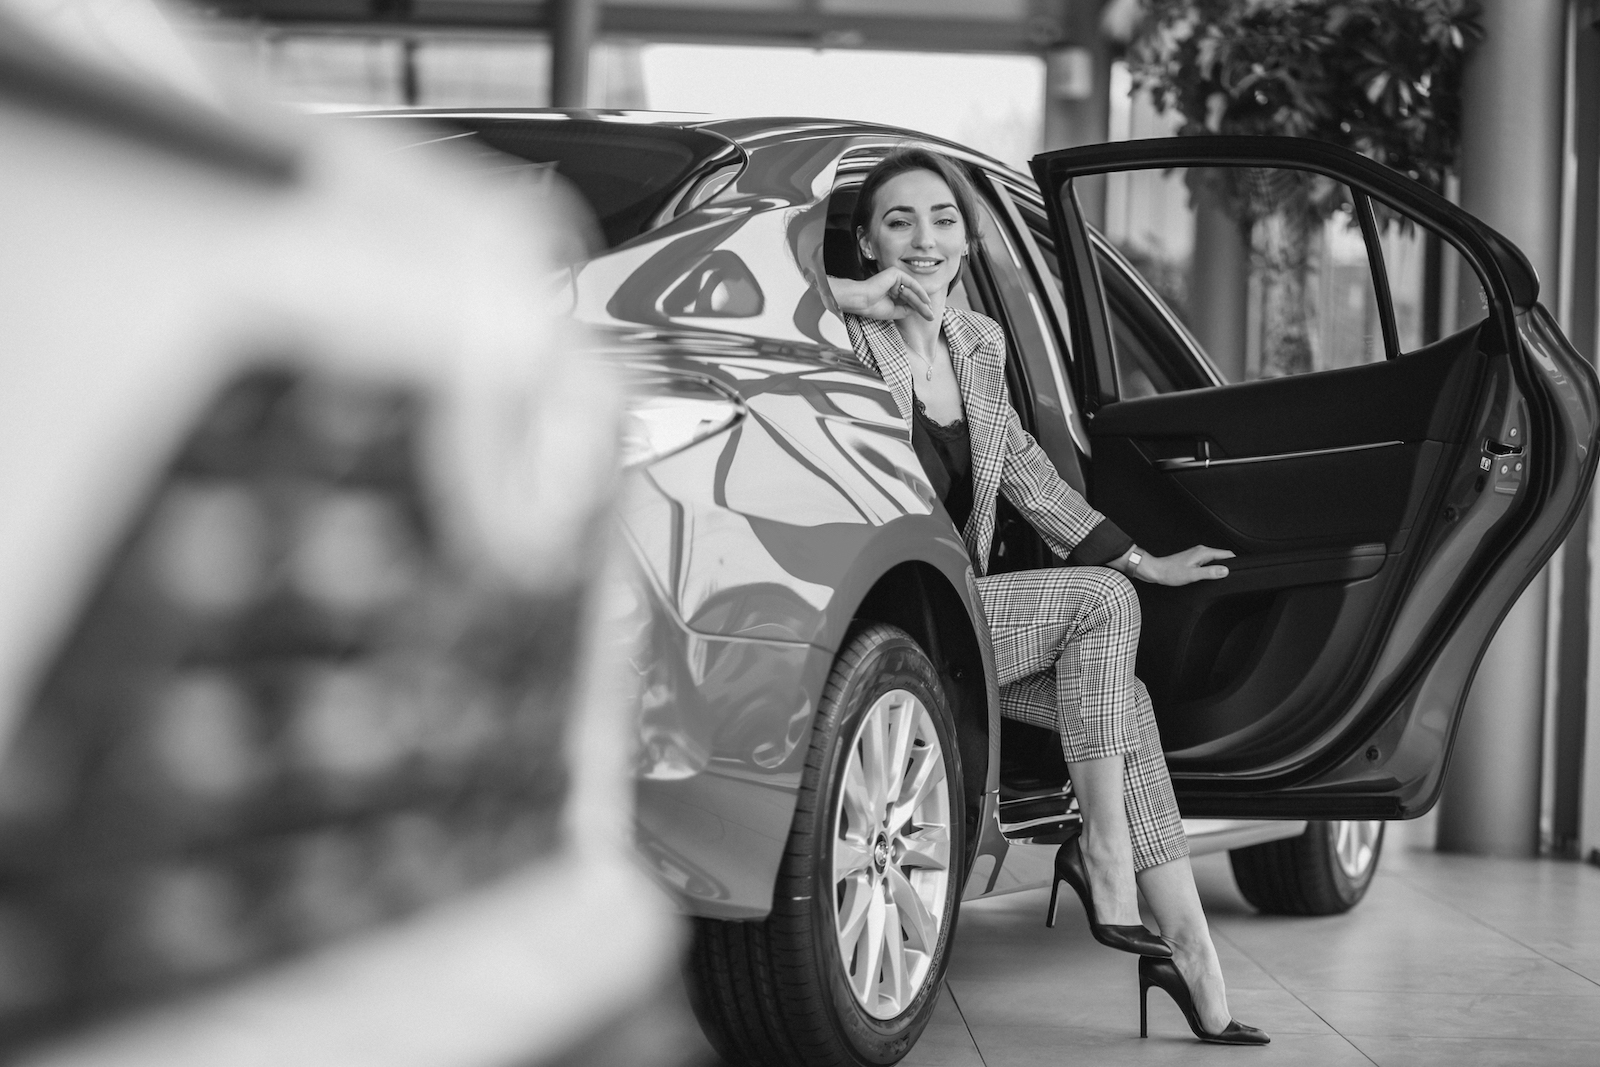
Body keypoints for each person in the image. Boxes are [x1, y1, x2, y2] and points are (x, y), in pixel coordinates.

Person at [827, 147, 1268, 1047]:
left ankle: (1190, 954)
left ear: (969, 234)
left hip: (967, 623)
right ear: (866, 241)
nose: (926, 238)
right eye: (899, 220)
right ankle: (1101, 853)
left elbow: (1029, 474)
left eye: (943, 218)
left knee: (1125, 696)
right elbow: (762, 311)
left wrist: (1143, 557)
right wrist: (854, 299)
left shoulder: (978, 344)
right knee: (1101, 607)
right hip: (892, 627)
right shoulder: (843, 337)